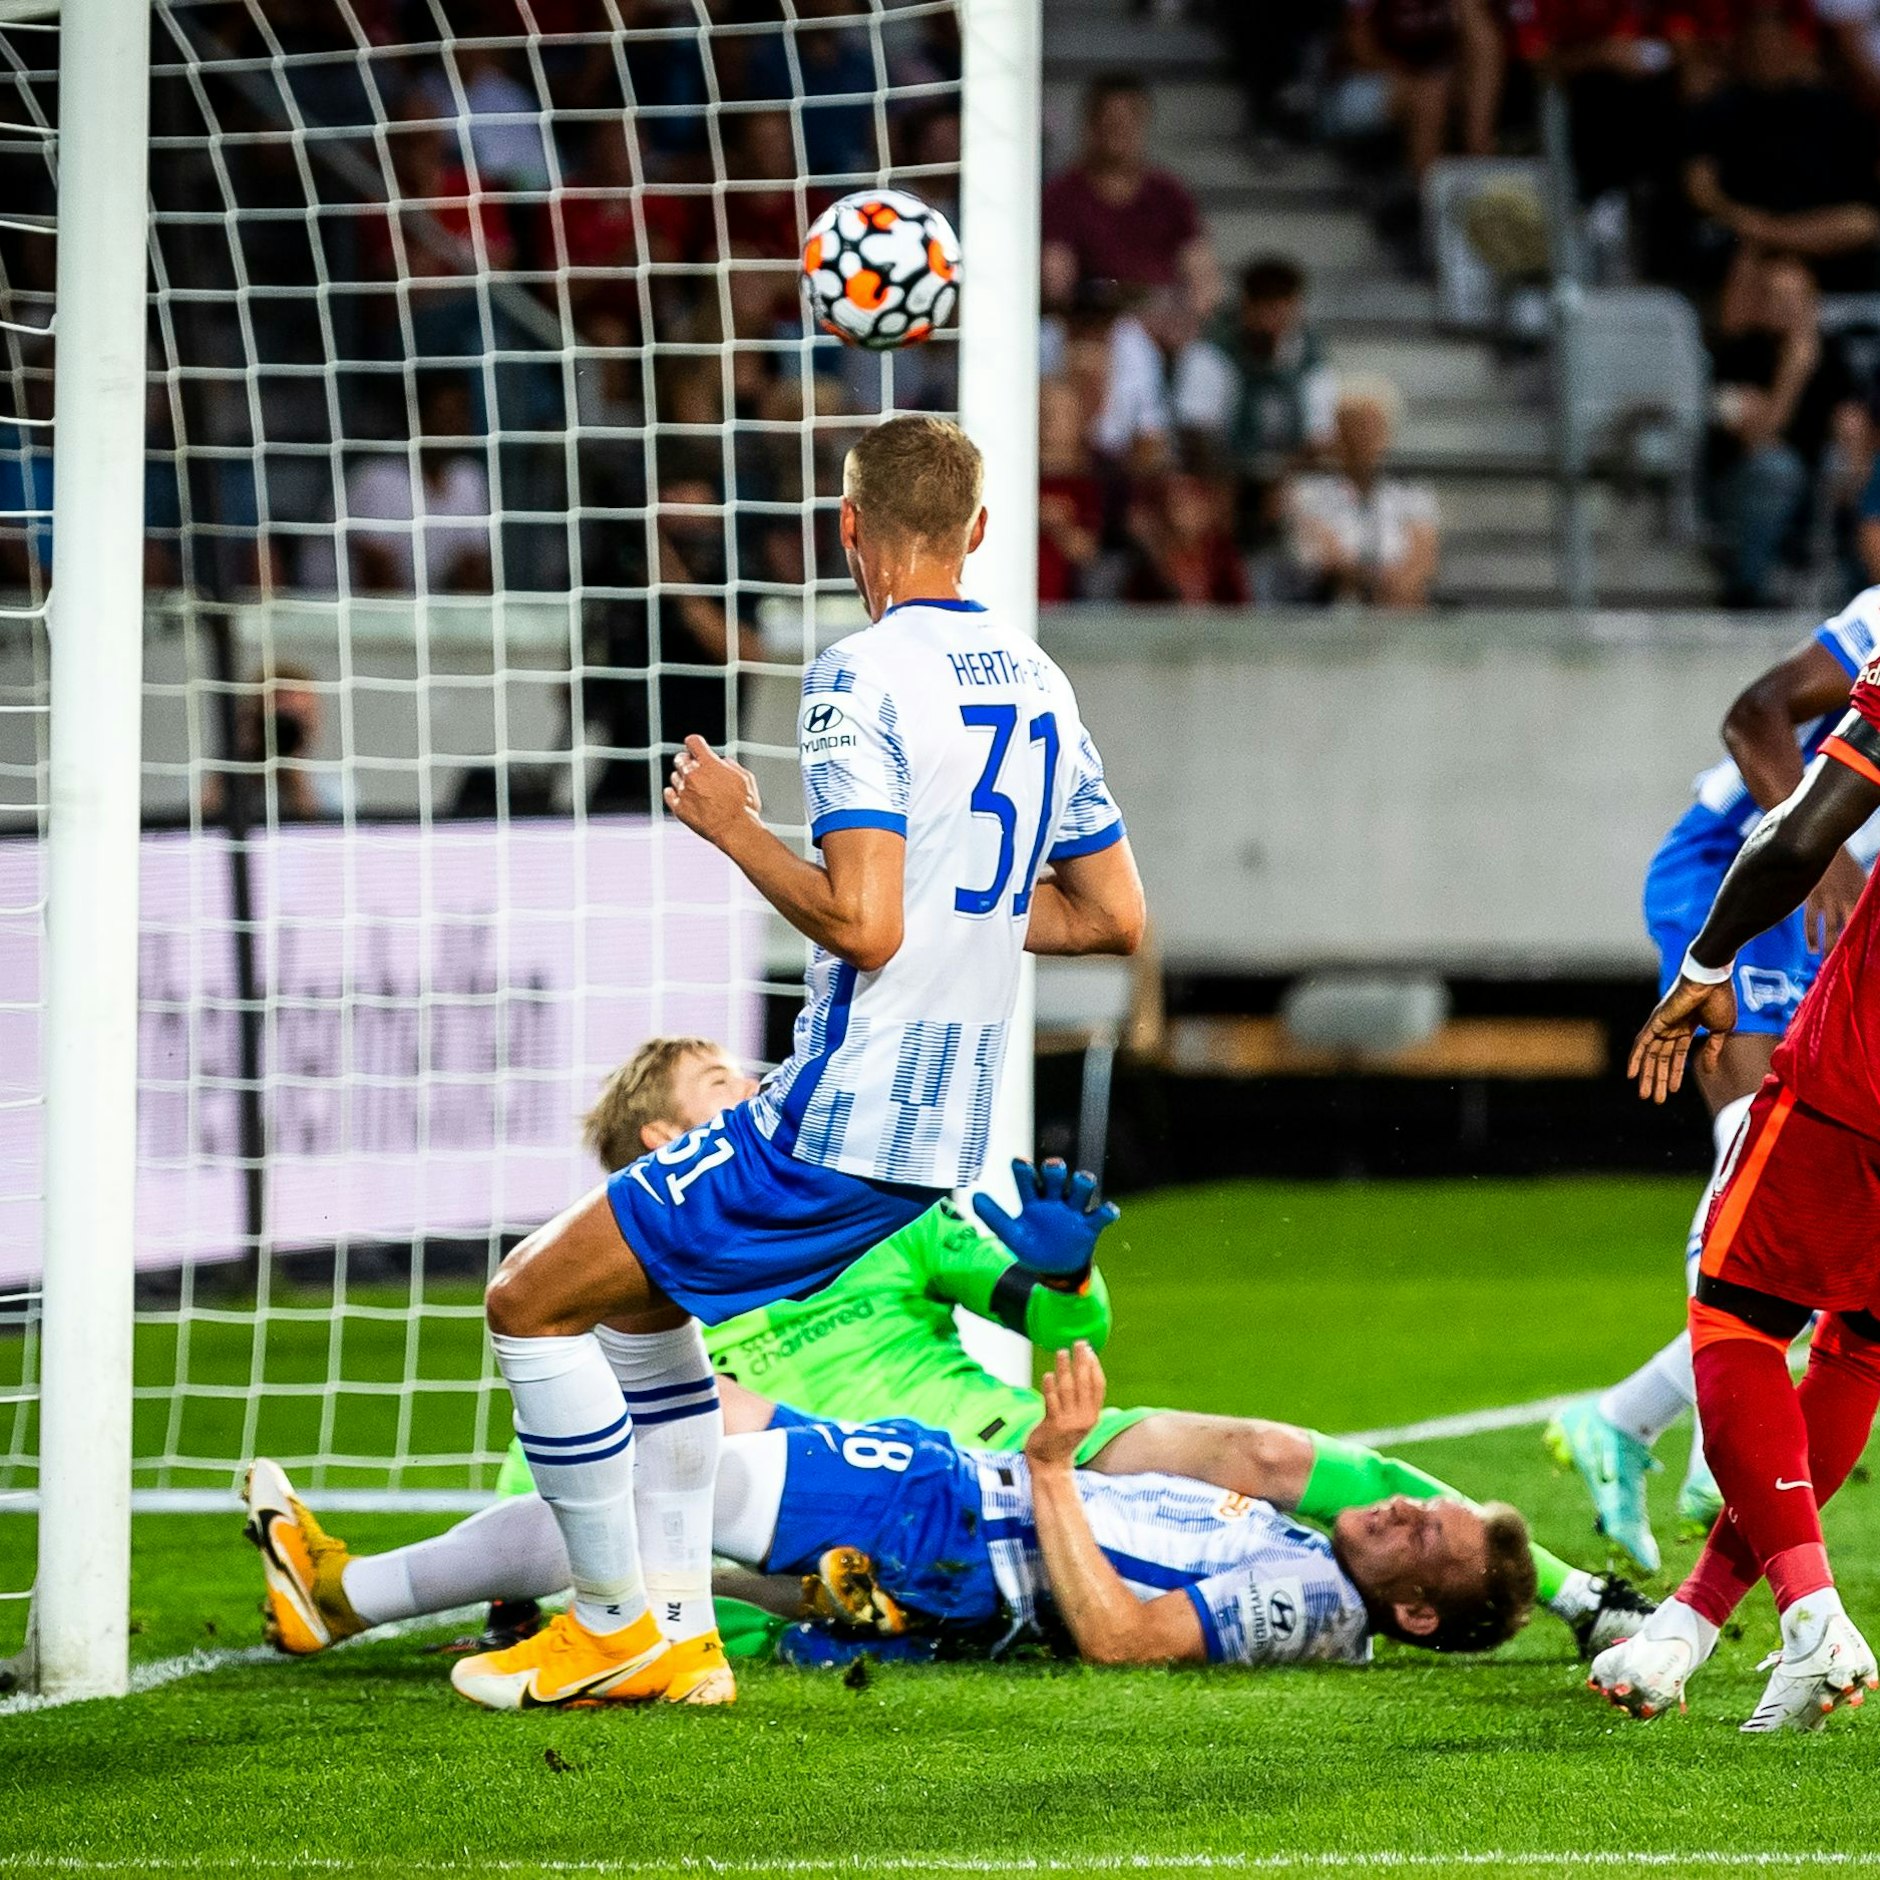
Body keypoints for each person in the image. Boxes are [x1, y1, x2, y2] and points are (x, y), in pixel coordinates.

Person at [453, 415, 1146, 1711]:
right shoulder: (1045, 685)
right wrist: (959, 917)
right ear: (982, 531)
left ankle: (606, 1623)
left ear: (846, 526)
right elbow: (1113, 918)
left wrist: (734, 830)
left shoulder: (857, 675)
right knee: (650, 1324)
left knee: (527, 1300)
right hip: (934, 1136)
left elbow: (862, 925)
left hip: (829, 1125)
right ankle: (682, 1637)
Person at [493, 1034, 1648, 1658]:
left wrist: (1066, 1278)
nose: (752, 1090)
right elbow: (560, 1453)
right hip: (844, 1474)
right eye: (720, 1084)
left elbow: (1048, 1331)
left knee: (1261, 1448)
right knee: (690, 1477)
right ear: (663, 1136)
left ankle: (1572, 1592)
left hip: (1018, 1439)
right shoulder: (634, 1280)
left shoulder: (871, 1202)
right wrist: (523, 1571)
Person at [243, 1344, 1537, 1674]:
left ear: (1416, 1613)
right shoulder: (1310, 1555)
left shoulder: (1310, 1605)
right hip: (948, 1518)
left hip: (958, 1529)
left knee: (657, 1462)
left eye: (1430, 1535)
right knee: (666, 1484)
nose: (1408, 1506)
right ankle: (342, 1600)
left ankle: (351, 1595)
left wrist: (1046, 1469)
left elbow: (1129, 1638)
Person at [1547, 590, 1880, 1576]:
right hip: (1760, 875)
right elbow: (1753, 711)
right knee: (1756, 1148)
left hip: (1845, 917)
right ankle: (1710, 1446)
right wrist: (1812, 846)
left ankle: (1624, 1417)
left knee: (1834, 1224)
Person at [1683, 8, 1880, 292]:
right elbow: (1700, 188)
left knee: (1861, 224)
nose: (1767, 53)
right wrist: (1739, 217)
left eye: (1774, 43)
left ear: (1793, 45)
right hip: (1745, 233)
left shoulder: (1832, 108)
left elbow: (1863, 197)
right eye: (1758, 46)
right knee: (1784, 281)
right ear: (1742, 48)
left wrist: (1772, 230)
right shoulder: (1717, 111)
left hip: (1817, 231)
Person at [1704, 254, 1856, 609]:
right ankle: (1747, 586)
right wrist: (1793, 374)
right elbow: (1758, 440)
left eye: (1795, 299)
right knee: (1776, 468)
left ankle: (1855, 588)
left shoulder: (1831, 353)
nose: (1786, 308)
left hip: (1816, 484)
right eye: (1776, 297)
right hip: (1738, 487)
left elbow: (1850, 421)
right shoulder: (1739, 353)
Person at [1040, 74, 1222, 344]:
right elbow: (1056, 281)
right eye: (1110, 122)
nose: (1119, 132)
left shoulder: (1169, 193)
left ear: (1143, 124)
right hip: (1089, 329)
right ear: (1091, 124)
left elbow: (1203, 277)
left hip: (1163, 323)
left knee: (1206, 365)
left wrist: (1185, 320)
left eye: (1128, 122)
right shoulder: (1063, 195)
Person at [1287, 377, 1440, 608]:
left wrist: (1396, 588)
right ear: (1337, 433)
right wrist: (1374, 585)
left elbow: (1423, 558)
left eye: (1373, 426)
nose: (1363, 437)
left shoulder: (1413, 492)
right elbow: (1327, 559)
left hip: (1401, 608)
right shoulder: (1308, 491)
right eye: (1354, 426)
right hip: (1330, 607)